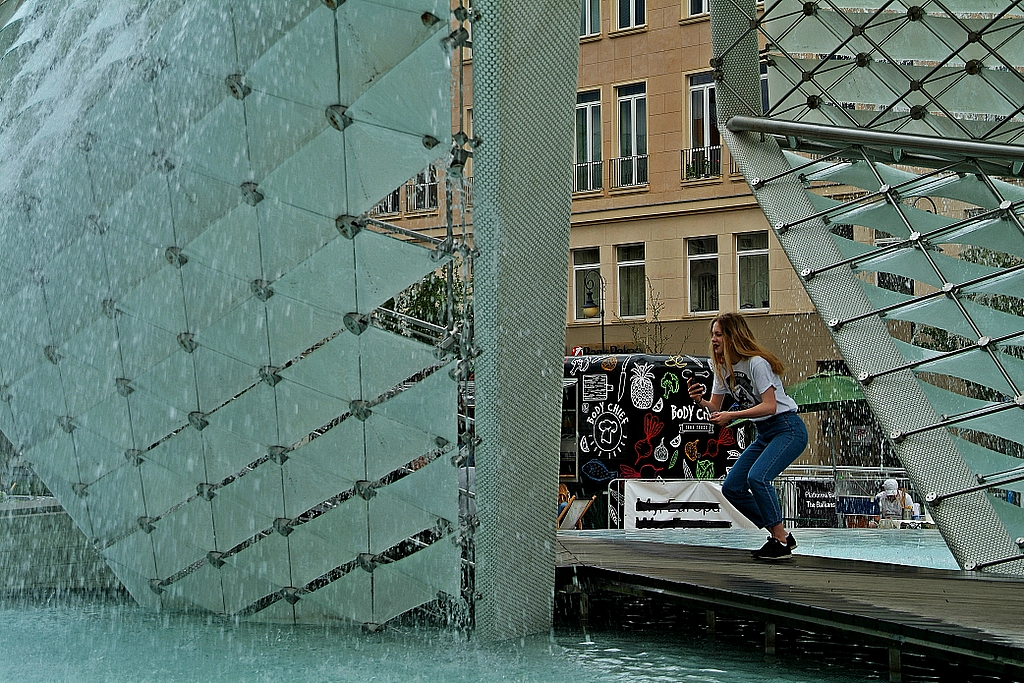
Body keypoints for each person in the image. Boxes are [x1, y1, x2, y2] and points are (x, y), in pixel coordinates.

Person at [687, 313, 808, 560]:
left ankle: (781, 541)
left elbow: (770, 406)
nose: (714, 340)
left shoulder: (757, 363)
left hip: (787, 428)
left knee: (758, 478)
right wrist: (699, 400)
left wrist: (732, 416)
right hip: (764, 432)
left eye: (719, 334)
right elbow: (715, 408)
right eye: (712, 335)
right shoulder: (722, 367)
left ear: (733, 336)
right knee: (732, 488)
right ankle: (779, 533)